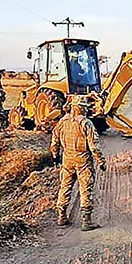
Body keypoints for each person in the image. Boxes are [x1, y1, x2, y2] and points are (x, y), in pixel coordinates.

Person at [50, 96, 106, 231]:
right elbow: (94, 147)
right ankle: (86, 221)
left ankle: (62, 216)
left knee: (65, 186)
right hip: (83, 161)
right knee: (85, 188)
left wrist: (55, 157)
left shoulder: (62, 122)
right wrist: (101, 161)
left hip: (67, 159)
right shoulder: (86, 123)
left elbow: (54, 142)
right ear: (82, 108)